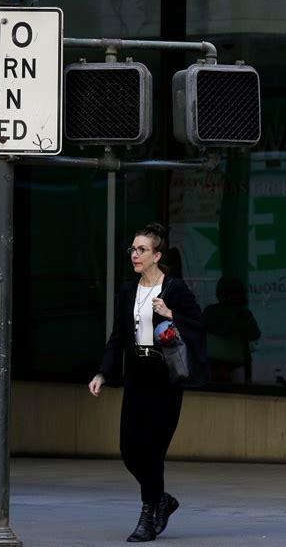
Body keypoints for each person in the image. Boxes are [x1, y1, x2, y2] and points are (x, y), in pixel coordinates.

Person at [88, 223, 206, 543]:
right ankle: (162, 500)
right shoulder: (128, 290)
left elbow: (199, 327)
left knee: (152, 451)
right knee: (129, 448)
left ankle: (147, 515)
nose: (135, 255)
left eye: (142, 250)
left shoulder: (175, 289)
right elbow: (118, 337)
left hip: (164, 377)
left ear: (157, 255)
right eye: (133, 249)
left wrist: (170, 314)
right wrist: (102, 373)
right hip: (136, 375)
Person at [202, 277, 261, 383]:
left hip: (220, 364)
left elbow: (255, 334)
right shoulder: (243, 314)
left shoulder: (211, 311)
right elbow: (255, 334)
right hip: (231, 365)